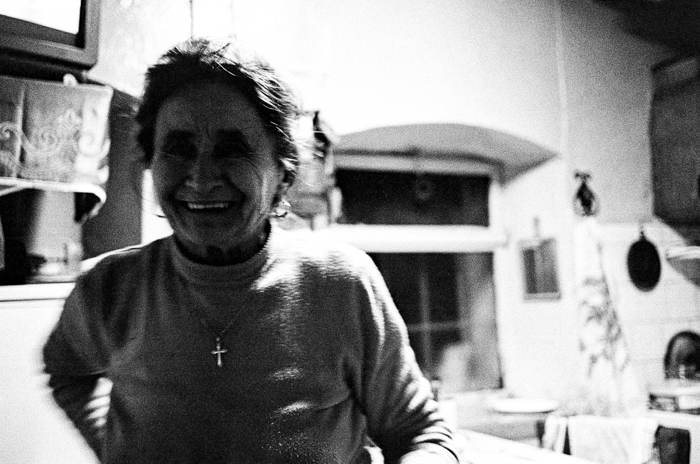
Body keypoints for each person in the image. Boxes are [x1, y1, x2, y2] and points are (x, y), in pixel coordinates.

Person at [42, 38, 460, 464]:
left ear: (282, 172)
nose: (201, 179)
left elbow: (421, 433)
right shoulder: (109, 288)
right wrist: (118, 447)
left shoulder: (341, 284)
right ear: (151, 162)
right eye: (178, 149)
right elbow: (66, 372)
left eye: (232, 149)